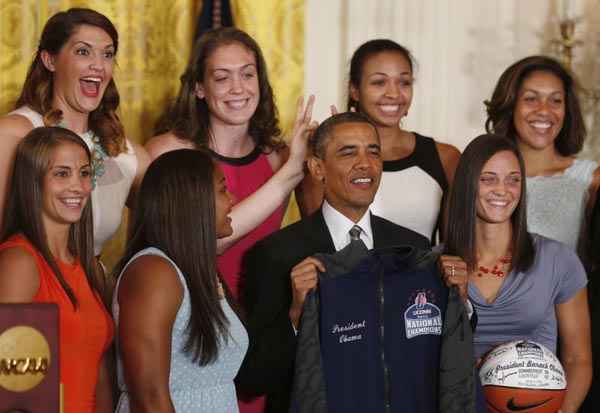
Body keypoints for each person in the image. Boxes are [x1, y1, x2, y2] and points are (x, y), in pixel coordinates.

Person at [237, 112, 431, 412]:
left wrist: (460, 300)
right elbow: (252, 378)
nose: (365, 163)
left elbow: (433, 349)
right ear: (317, 168)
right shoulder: (275, 254)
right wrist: (295, 316)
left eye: (373, 152)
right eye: (348, 152)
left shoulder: (413, 246)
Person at [146, 27, 316, 301]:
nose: (238, 88)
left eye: (248, 75)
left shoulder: (279, 157)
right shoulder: (167, 152)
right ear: (199, 87)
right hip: (194, 319)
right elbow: (210, 243)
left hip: (263, 319)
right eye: (222, 78)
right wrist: (291, 172)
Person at [441, 134, 592, 413]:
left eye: (513, 179)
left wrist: (562, 411)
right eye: (488, 179)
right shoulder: (437, 265)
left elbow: (578, 358)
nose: (503, 190)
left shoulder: (558, 260)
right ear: (467, 184)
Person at [0, 7, 149, 257]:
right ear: (50, 60)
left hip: (91, 292)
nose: (98, 66)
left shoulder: (128, 155)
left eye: (108, 54)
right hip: (25, 289)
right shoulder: (13, 134)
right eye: (83, 51)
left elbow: (182, 236)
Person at [113, 149, 247, 412]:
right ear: (192, 200)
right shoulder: (153, 272)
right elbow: (149, 397)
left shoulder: (196, 270)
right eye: (222, 190)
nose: (231, 199)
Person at [299, 39, 460, 243]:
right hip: (345, 275)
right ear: (354, 90)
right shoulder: (322, 157)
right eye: (379, 82)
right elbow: (318, 242)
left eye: (404, 82)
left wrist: (452, 273)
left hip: (421, 275)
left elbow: (454, 252)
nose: (393, 94)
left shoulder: (446, 157)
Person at [0, 127, 114, 413]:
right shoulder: (20, 262)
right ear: (33, 182)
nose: (78, 186)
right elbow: (10, 390)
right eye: (62, 174)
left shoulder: (91, 270)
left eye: (84, 173)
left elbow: (97, 375)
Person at [485, 55, 600, 256]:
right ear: (511, 105)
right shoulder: (481, 175)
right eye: (531, 98)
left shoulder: (589, 180)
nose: (544, 110)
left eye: (555, 100)